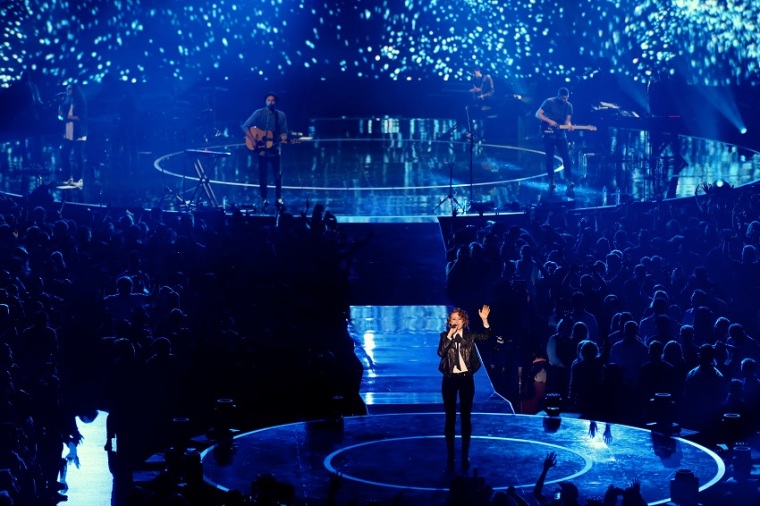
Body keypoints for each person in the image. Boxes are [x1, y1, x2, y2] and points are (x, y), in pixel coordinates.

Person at [437, 304, 491, 470]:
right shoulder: (445, 336)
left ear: (464, 321)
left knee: (465, 417)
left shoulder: (469, 336)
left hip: (467, 379)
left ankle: (465, 453)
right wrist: (450, 336)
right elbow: (441, 353)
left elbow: (486, 336)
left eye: (458, 319)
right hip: (449, 380)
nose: (455, 321)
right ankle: (450, 455)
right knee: (450, 418)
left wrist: (484, 320)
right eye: (452, 319)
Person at [241, 92, 289, 209]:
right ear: (265, 101)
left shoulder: (281, 115)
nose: (270, 102)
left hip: (275, 149)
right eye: (268, 100)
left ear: (275, 102)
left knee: (278, 175)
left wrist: (283, 138)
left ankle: (278, 198)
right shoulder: (259, 113)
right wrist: (252, 139)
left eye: (273, 100)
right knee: (263, 175)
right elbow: (245, 126)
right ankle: (264, 198)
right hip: (261, 149)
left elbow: (284, 131)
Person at [535, 87, 575, 197]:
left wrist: (569, 126)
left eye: (566, 98)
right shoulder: (549, 102)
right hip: (548, 132)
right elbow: (538, 114)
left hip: (561, 134)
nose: (565, 100)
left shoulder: (569, 106)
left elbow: (567, 121)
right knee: (550, 157)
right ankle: (551, 179)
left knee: (566, 157)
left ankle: (569, 179)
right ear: (558, 95)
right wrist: (549, 121)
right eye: (563, 98)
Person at [58, 83, 88, 188]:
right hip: (68, 132)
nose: (68, 91)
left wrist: (67, 117)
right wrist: (61, 105)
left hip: (79, 132)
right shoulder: (67, 101)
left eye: (70, 89)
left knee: (78, 155)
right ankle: (67, 177)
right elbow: (61, 115)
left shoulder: (80, 102)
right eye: (67, 89)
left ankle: (78, 179)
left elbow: (80, 117)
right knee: (64, 154)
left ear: (74, 90)